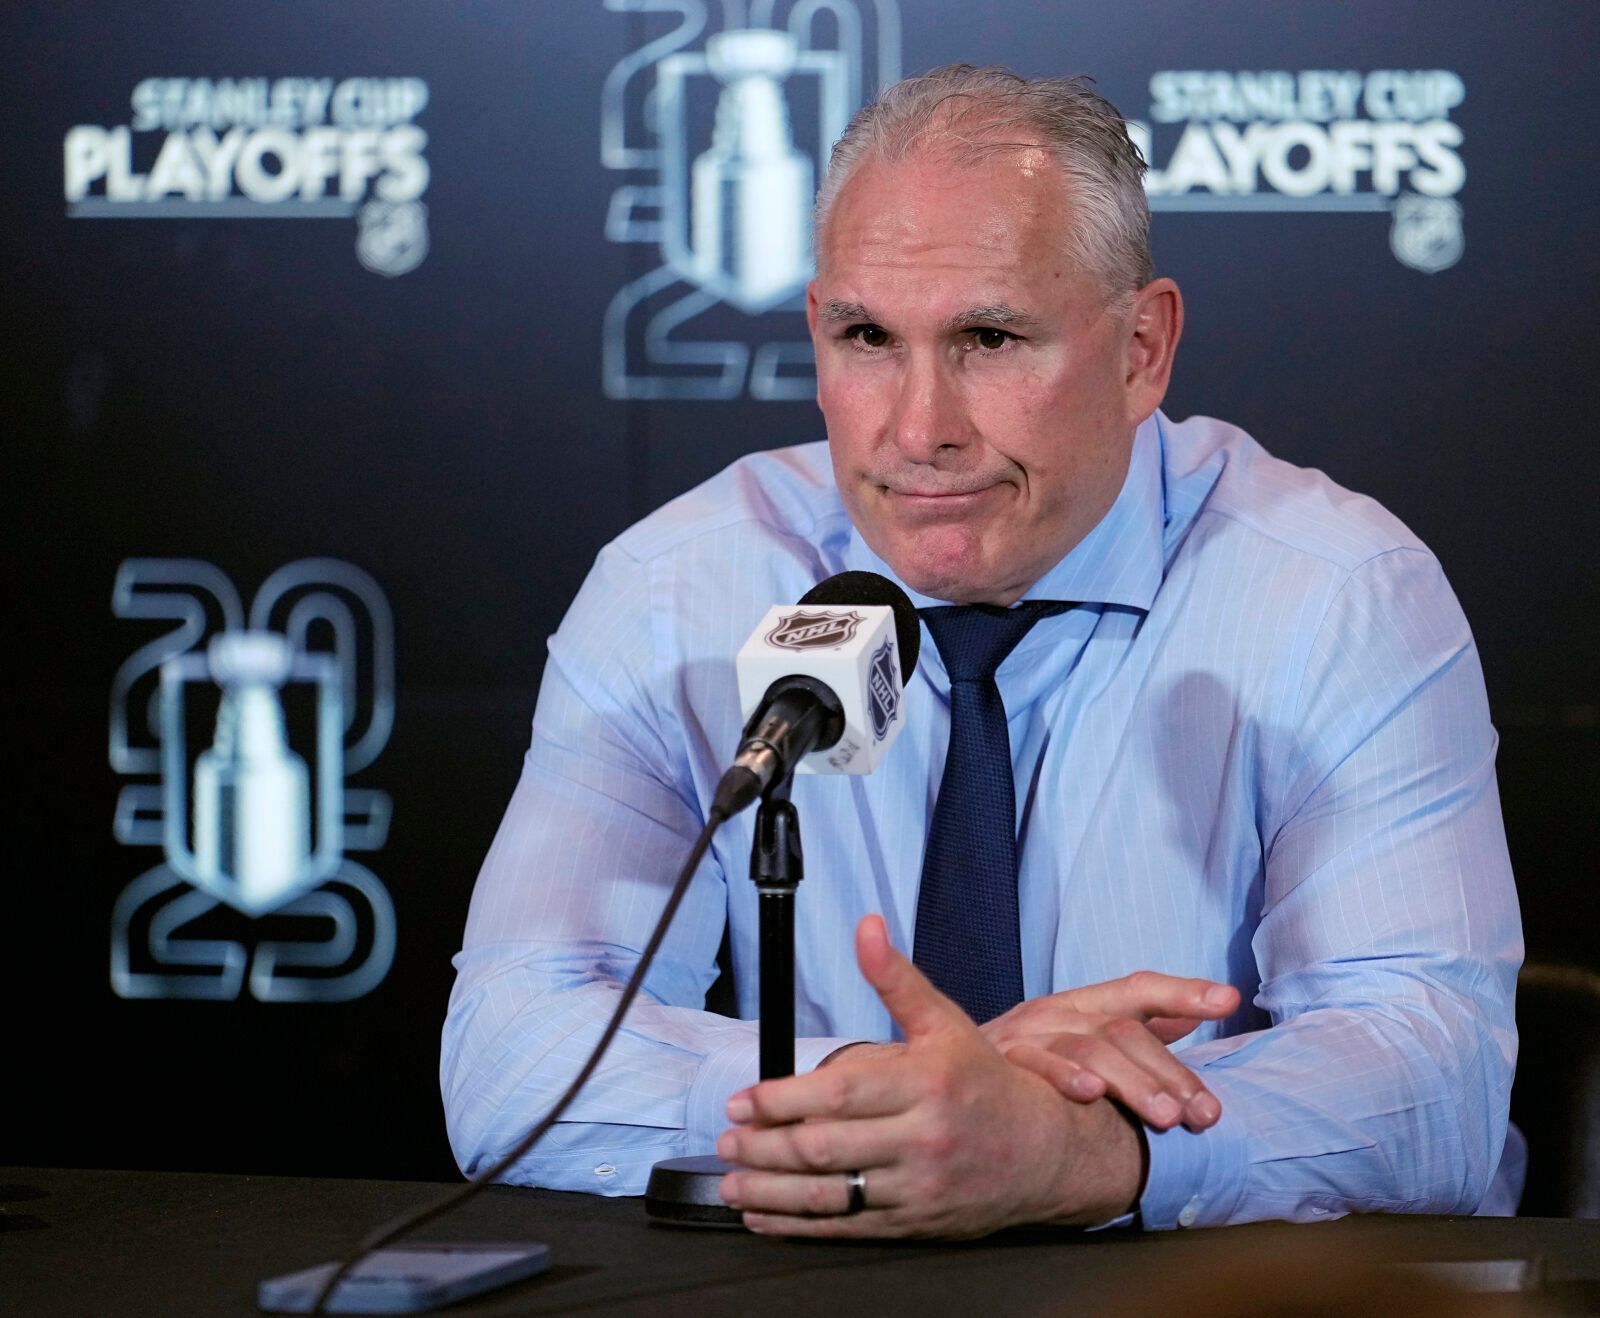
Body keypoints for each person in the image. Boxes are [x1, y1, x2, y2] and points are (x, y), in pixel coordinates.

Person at [441, 65, 1523, 1238]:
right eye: (867, 337)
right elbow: (511, 1056)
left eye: (991, 338)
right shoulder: (676, 593)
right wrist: (892, 1101)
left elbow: (1432, 1076)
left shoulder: (1337, 596)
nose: (919, 430)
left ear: (1141, 349)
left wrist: (1078, 1147)